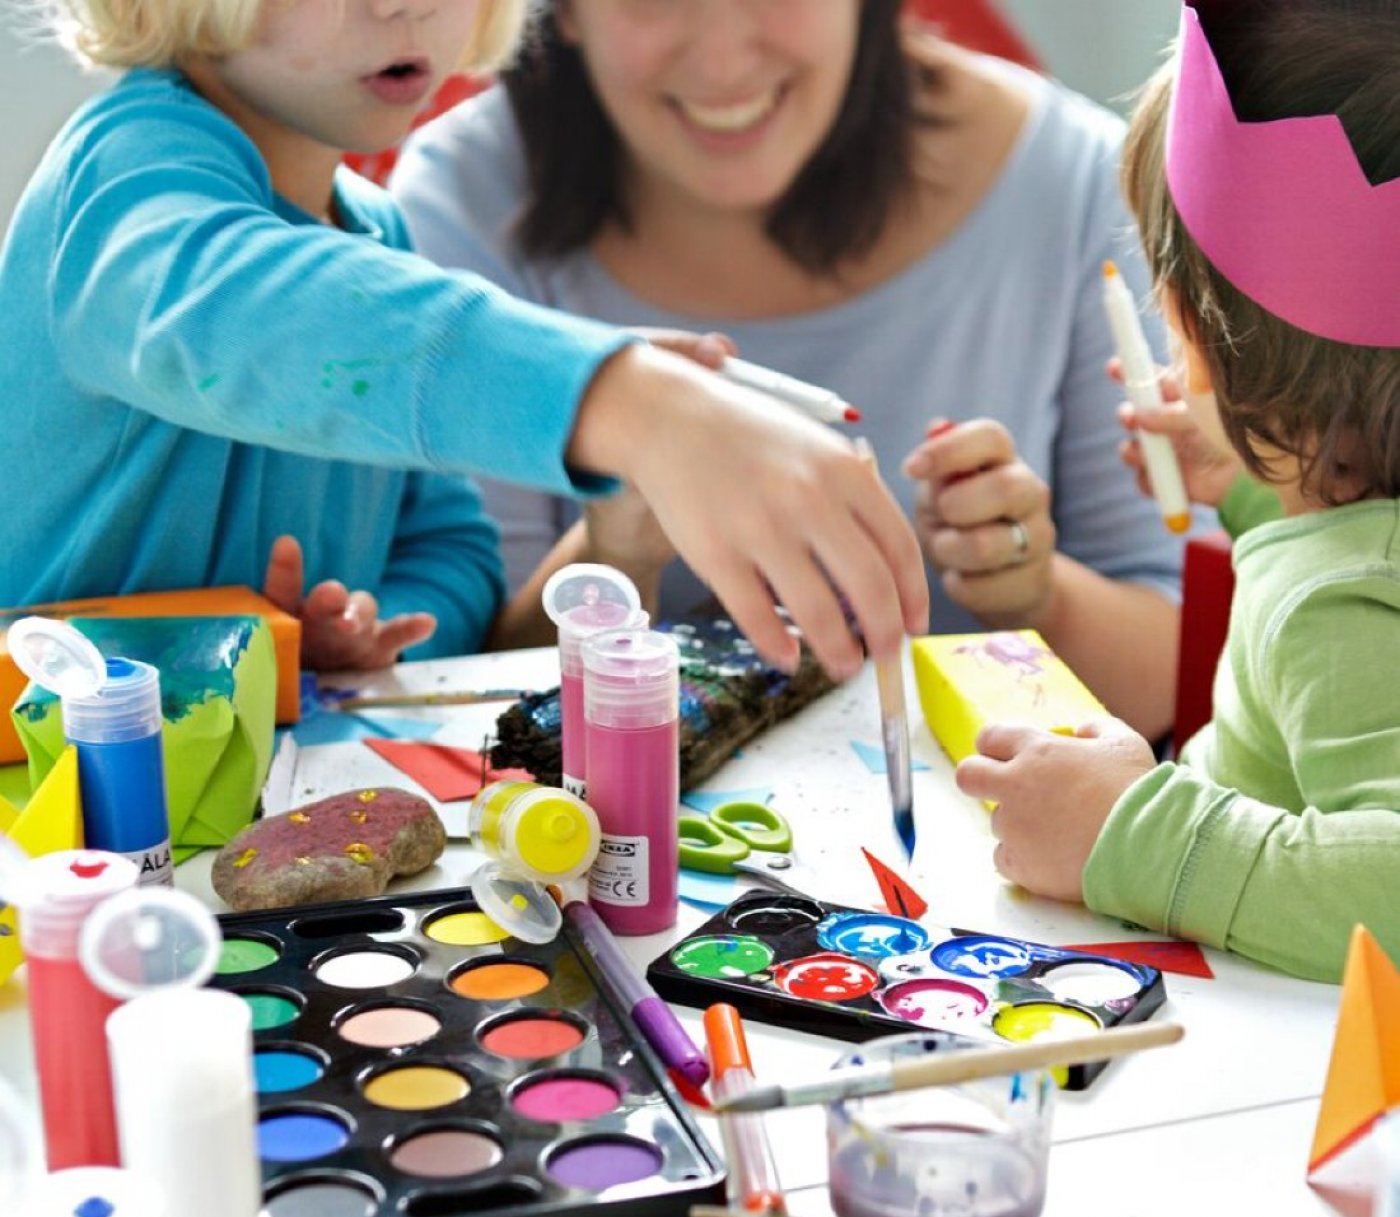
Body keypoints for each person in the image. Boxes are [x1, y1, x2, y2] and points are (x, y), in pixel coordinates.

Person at [0, 0, 927, 676]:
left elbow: (450, 555)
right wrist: (633, 401)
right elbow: (241, 307)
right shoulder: (119, 180)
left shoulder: (377, 232)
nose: (407, 6)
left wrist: (379, 633)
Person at [391, 2, 1185, 738]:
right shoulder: (458, 200)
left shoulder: (1072, 178)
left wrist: (1036, 594)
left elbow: (1179, 678)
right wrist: (614, 549)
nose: (724, 61)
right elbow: (456, 706)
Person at [955, 0, 1400, 985]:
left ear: (1191, 337)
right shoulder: (1354, 546)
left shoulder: (1338, 606)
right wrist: (1260, 481)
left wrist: (1128, 831)